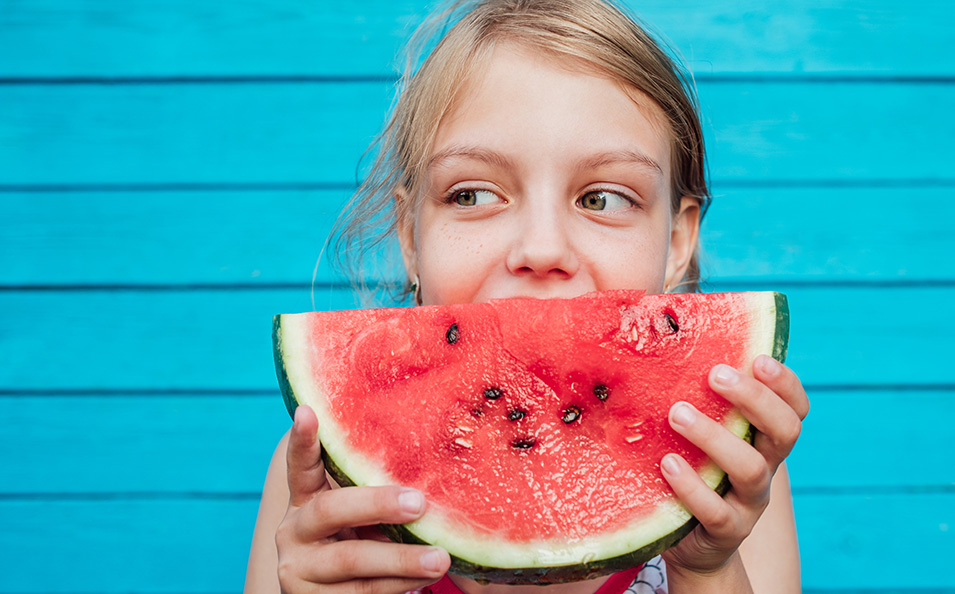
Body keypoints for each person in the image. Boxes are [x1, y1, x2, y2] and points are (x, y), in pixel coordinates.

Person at [245, 0, 810, 592]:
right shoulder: (321, 477)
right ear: (411, 237)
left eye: (603, 198)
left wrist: (706, 568)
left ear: (675, 242)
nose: (541, 248)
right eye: (471, 194)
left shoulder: (724, 461)